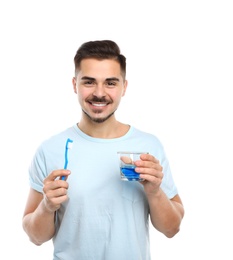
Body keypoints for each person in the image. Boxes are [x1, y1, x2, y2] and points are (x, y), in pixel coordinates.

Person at [22, 40, 185, 260]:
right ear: (74, 84)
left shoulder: (148, 147)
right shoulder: (50, 149)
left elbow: (171, 229)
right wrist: (47, 207)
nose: (99, 93)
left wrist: (155, 192)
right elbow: (35, 237)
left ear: (124, 87)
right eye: (89, 82)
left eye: (110, 83)